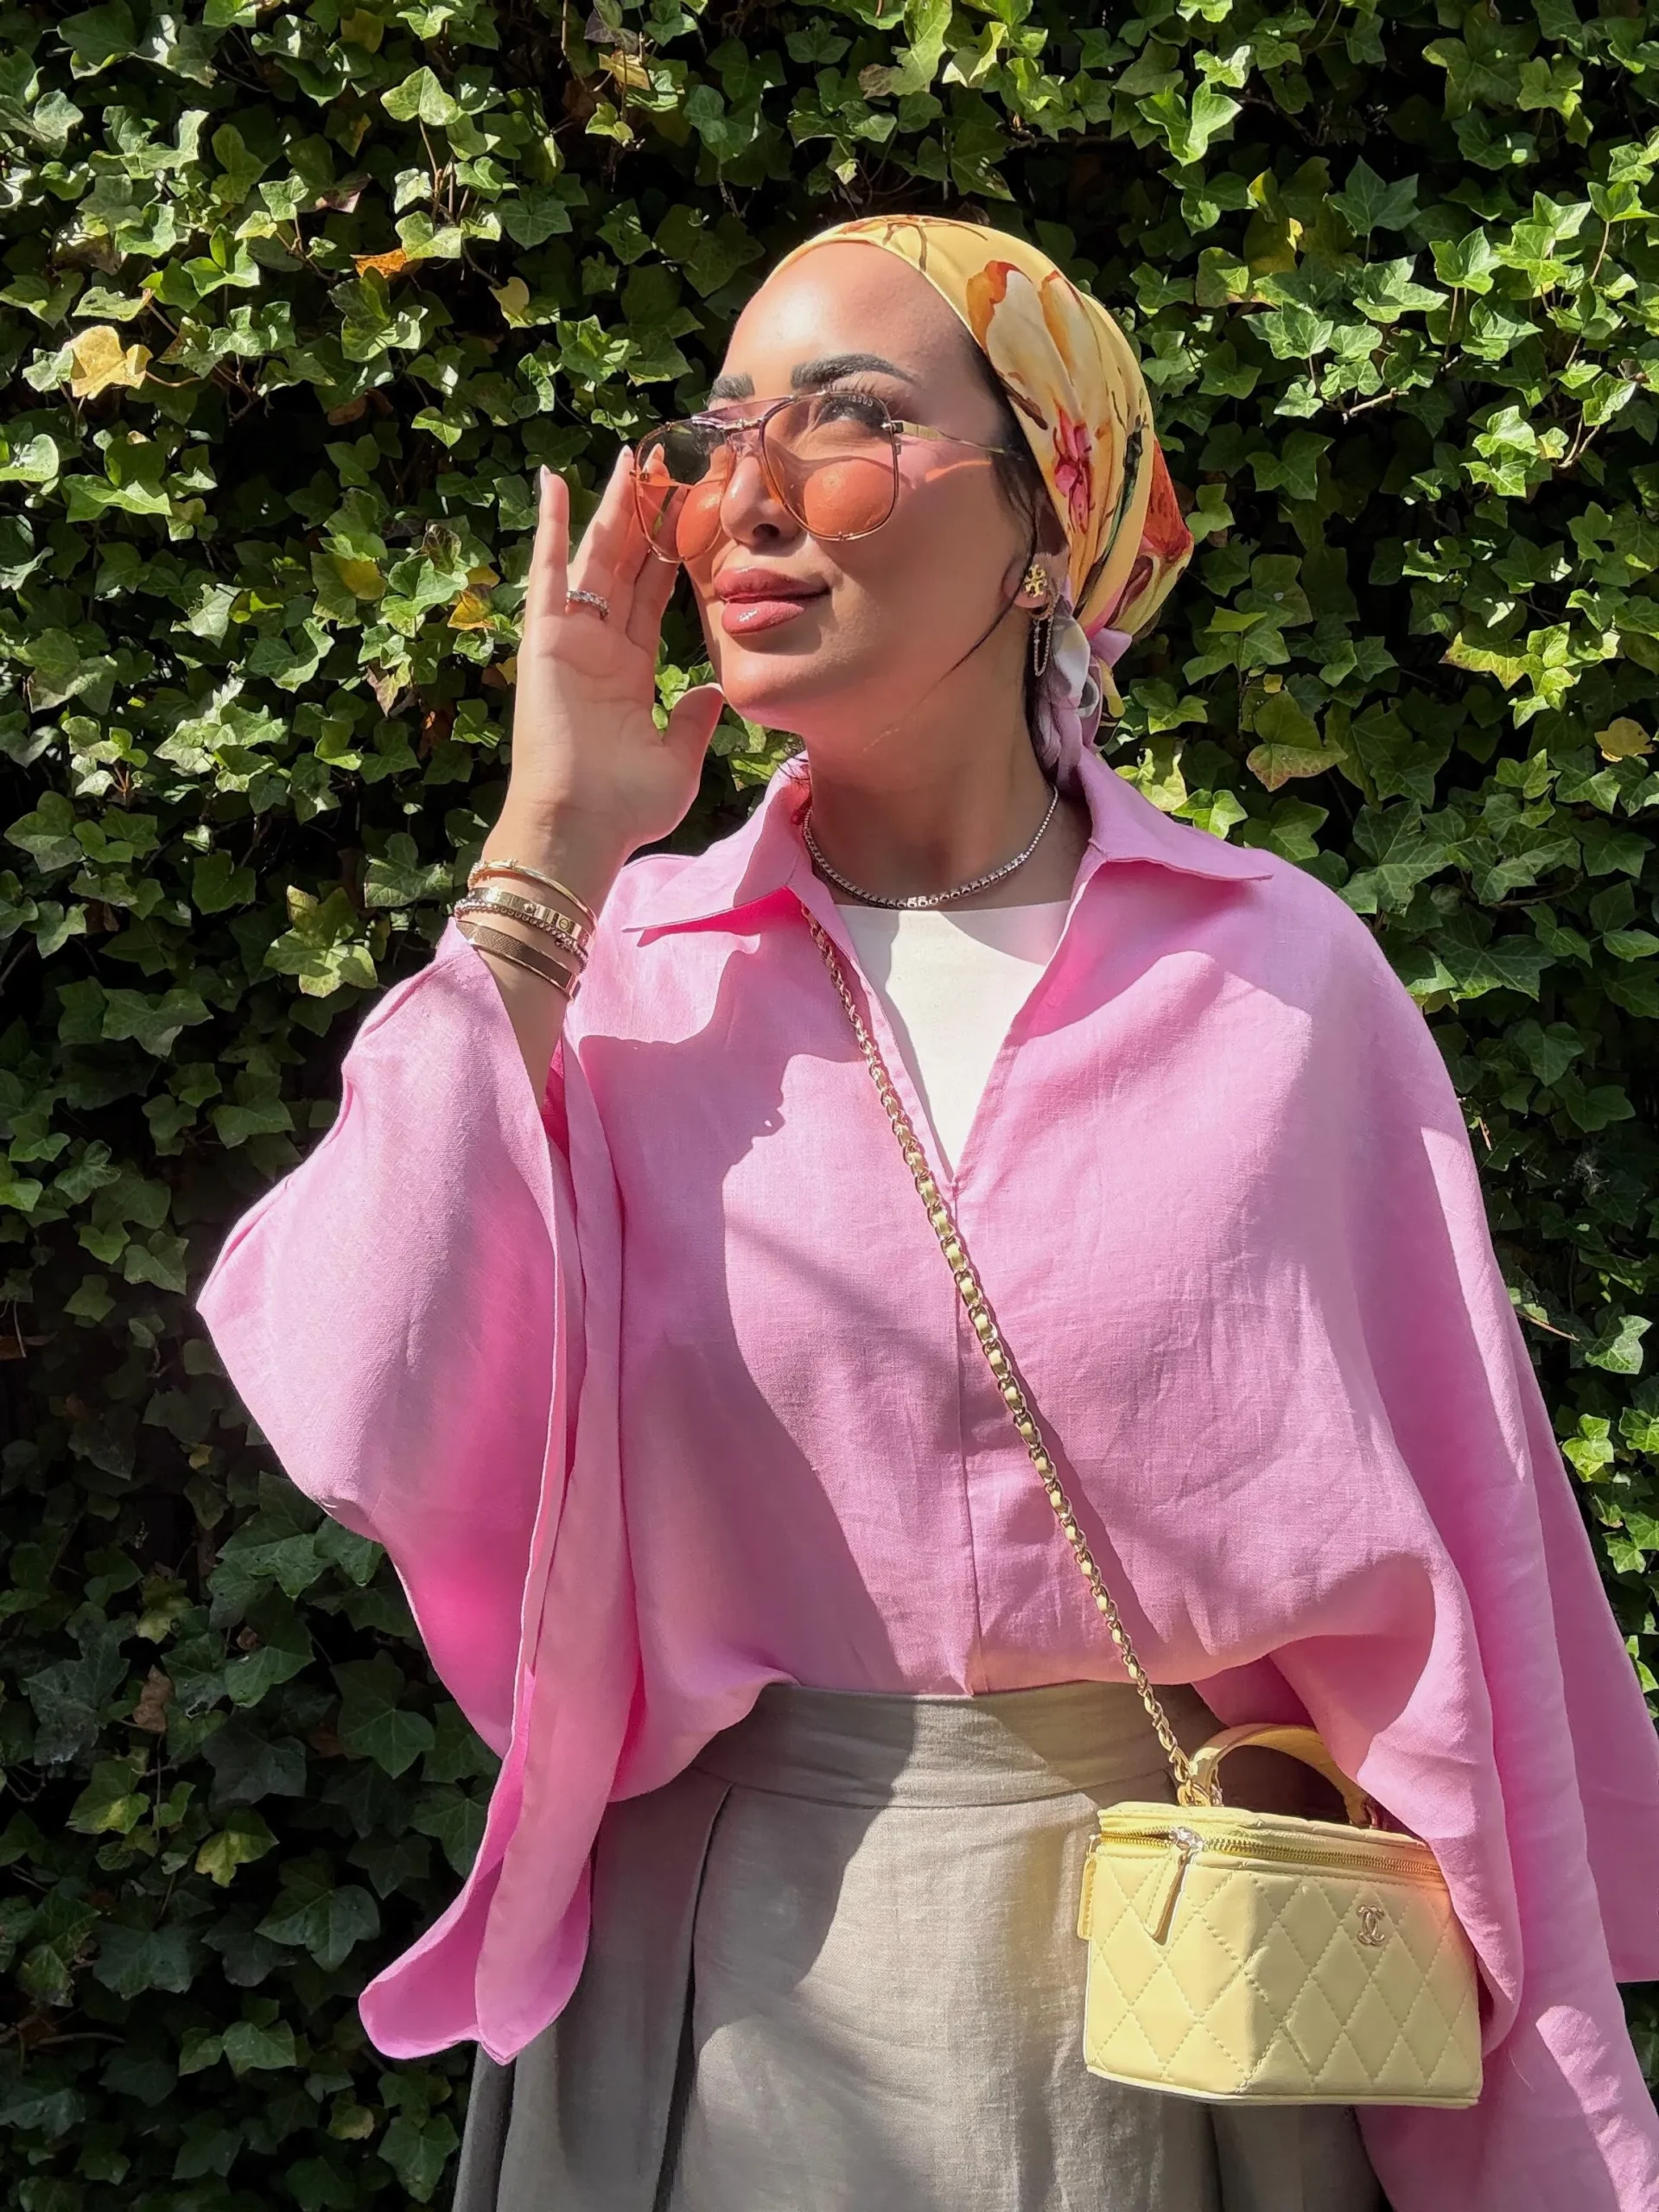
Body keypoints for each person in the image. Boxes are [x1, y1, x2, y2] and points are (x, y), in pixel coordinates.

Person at [195, 214, 1659, 2211]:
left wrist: (1543, 2122)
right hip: (719, 1999)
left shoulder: (1283, 982)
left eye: (851, 419)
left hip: (1193, 1998)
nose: (749, 494)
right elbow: (352, 1394)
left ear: (1049, 515)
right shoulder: (622, 974)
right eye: (719, 434)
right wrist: (545, 848)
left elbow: (1466, 1591)